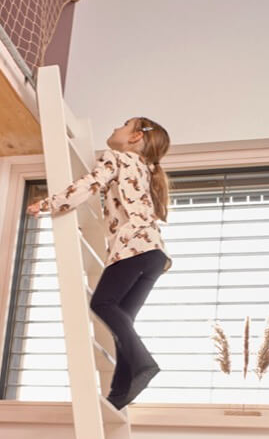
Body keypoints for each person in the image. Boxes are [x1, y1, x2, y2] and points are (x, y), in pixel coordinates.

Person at [27, 115, 171, 408]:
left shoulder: (117, 158)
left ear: (135, 138)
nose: (116, 127)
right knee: (123, 321)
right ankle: (119, 393)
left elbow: (89, 184)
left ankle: (143, 362)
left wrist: (46, 204)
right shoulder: (146, 169)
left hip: (134, 248)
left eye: (123, 124)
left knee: (102, 305)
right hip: (154, 254)